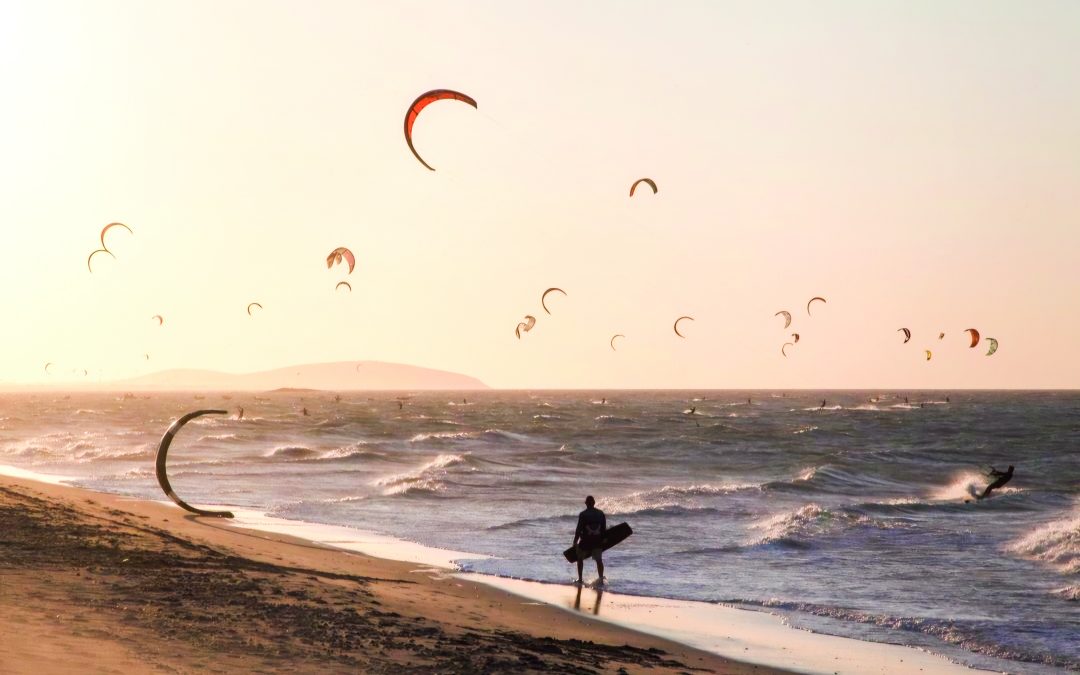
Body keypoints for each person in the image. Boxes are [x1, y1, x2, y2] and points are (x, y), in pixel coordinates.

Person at [573, 496, 606, 585]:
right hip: (597, 540)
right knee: (599, 560)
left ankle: (580, 579)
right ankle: (601, 580)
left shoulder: (583, 514)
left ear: (586, 503)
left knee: (579, 559)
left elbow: (578, 529)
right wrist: (603, 540)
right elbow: (603, 529)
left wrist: (575, 542)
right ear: (594, 503)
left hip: (586, 541)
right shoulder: (601, 513)